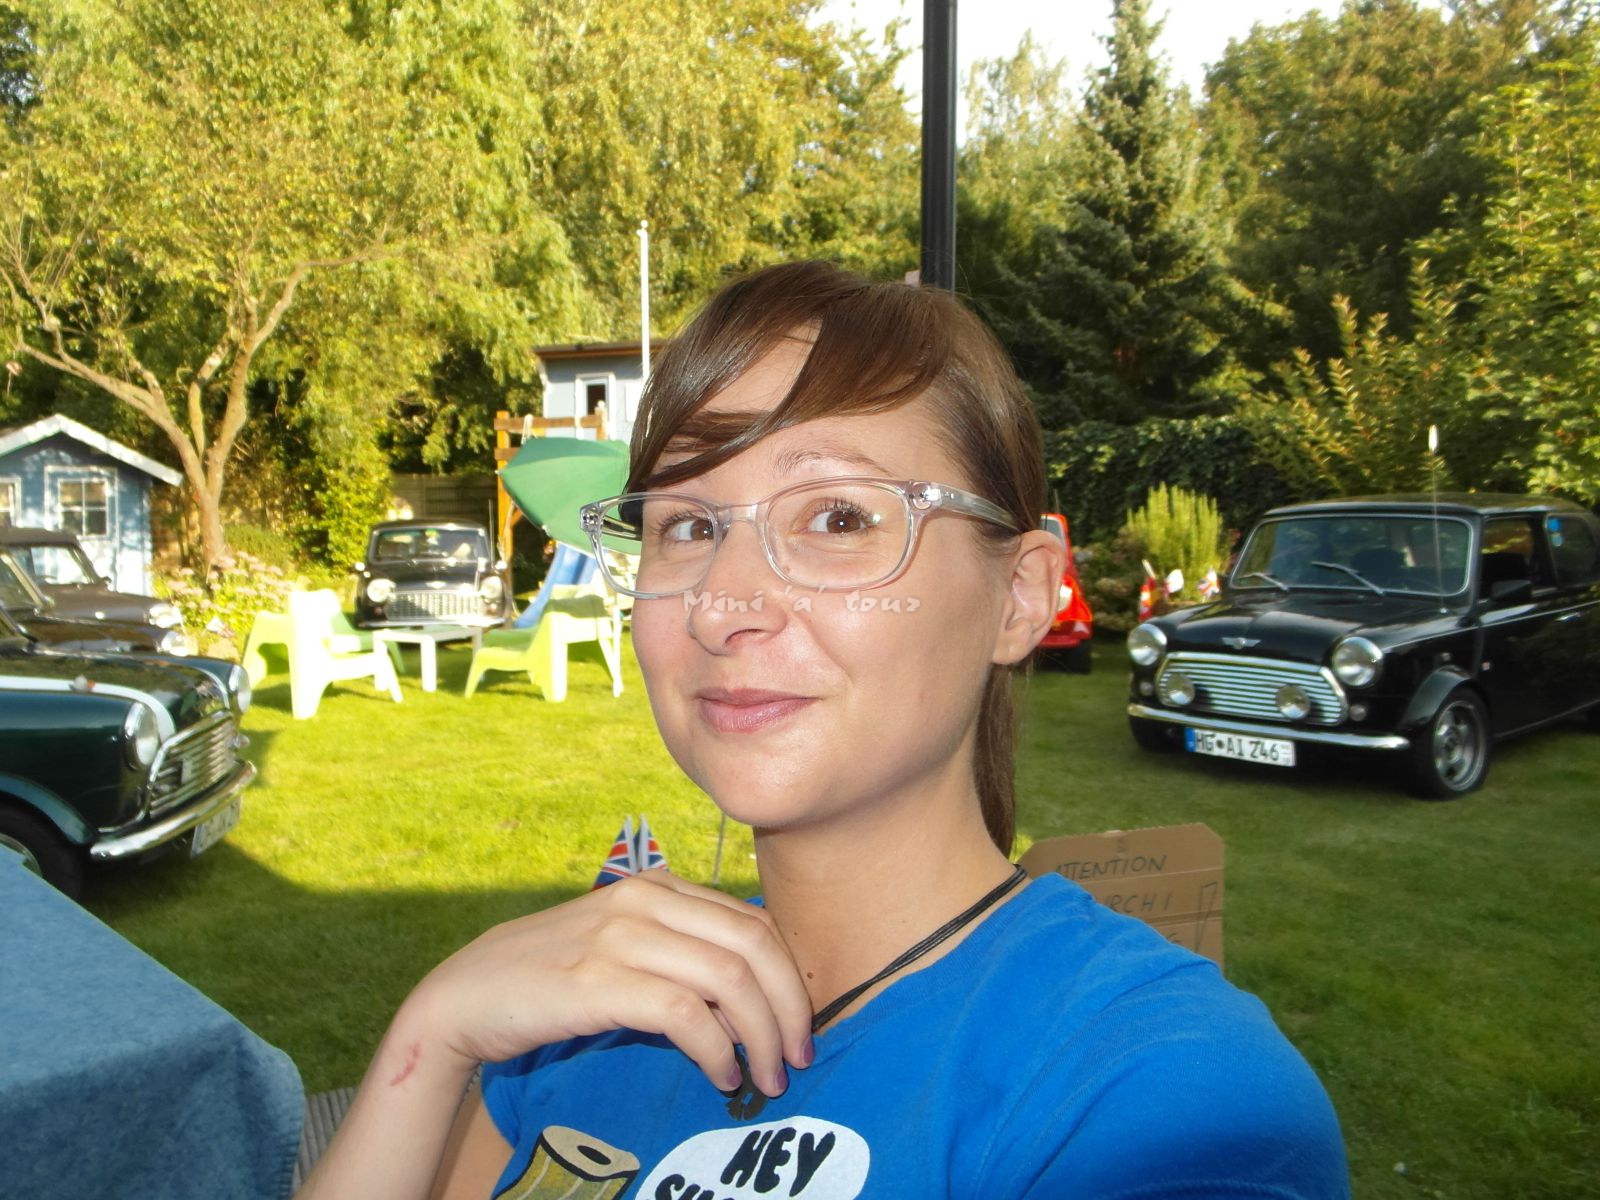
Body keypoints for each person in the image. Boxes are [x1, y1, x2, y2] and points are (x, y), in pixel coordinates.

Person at [297, 261, 1349, 1200]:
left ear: (1021, 596)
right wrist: (432, 1038)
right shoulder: (583, 1023)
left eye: (838, 517)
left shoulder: (1158, 1089)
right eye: (686, 525)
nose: (722, 605)